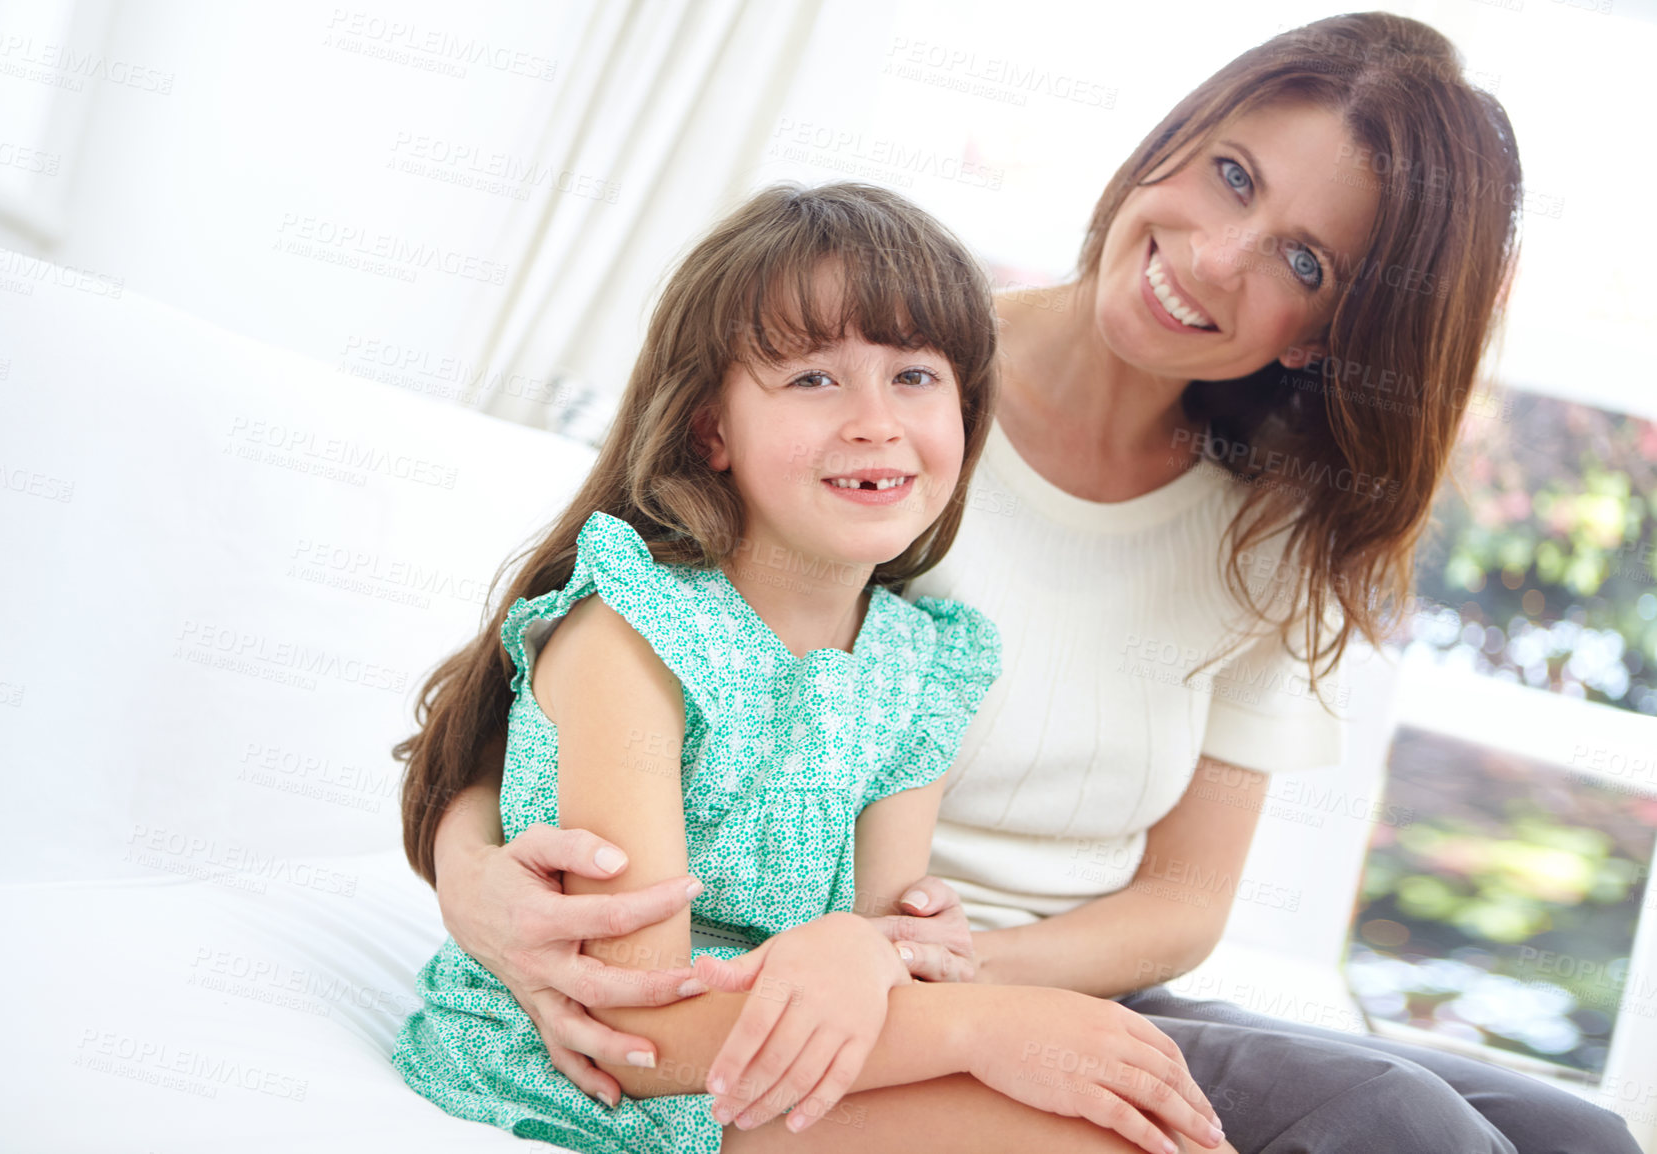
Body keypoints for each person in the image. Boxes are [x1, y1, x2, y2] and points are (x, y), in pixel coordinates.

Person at [416, 14, 1642, 1154]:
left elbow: (1183, 893)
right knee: (1395, 1123)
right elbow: (562, 687)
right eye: (1229, 174)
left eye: (1303, 262)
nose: (1213, 259)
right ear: (1173, 143)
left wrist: (949, 981)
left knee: (1576, 1133)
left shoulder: (1264, 525)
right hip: (813, 973)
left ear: (1329, 332)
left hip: (992, 971)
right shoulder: (877, 393)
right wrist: (478, 887)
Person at [391, 181, 1237, 1154]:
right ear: (711, 428)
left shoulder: (919, 661)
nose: (875, 420)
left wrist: (875, 953)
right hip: (605, 1067)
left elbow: (881, 937)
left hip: (781, 1043)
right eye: (812, 378)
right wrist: (987, 1023)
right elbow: (642, 1028)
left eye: (914, 376)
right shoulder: (635, 636)